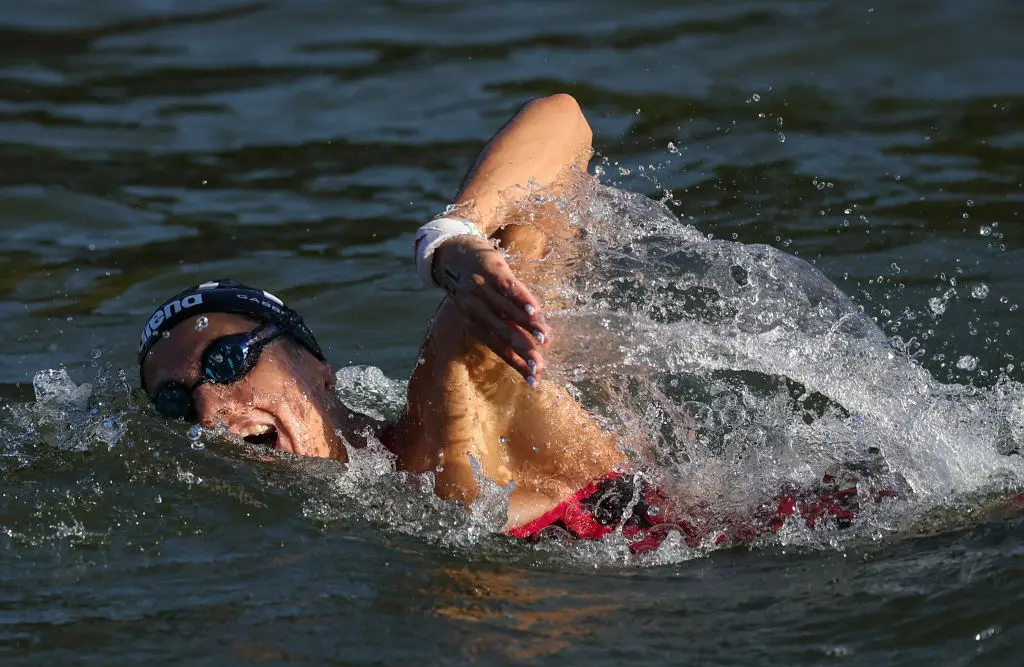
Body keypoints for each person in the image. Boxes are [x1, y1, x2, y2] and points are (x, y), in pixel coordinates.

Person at [139, 94, 868, 551]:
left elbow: (565, 123)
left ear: (313, 363)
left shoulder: (456, 384)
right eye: (175, 400)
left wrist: (453, 241)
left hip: (850, 546)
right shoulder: (370, 510)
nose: (207, 408)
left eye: (229, 359)